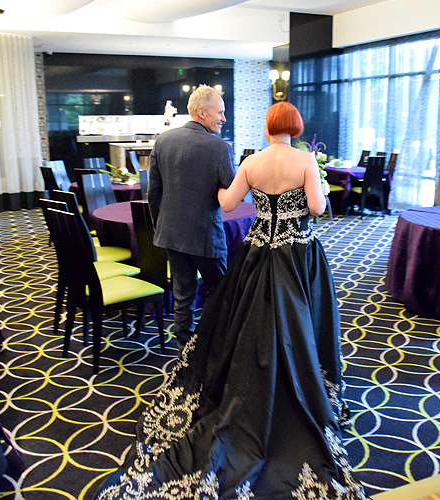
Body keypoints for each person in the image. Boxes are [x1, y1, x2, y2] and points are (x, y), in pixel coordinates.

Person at [93, 102, 364, 500]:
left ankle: (247, 380)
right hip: (296, 255)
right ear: (295, 127)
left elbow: (226, 204)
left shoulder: (252, 162)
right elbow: (317, 207)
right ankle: (302, 378)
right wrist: (313, 190)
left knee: (244, 319)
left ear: (268, 127)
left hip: (258, 253)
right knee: (300, 320)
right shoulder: (305, 160)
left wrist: (211, 186)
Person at [147, 84, 235, 348]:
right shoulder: (218, 148)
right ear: (202, 112)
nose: (224, 118)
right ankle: (212, 345)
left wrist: (160, 228)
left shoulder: (163, 141)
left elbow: (154, 194)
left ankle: (185, 349)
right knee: (219, 292)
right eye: (220, 112)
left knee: (182, 294)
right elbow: (232, 193)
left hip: (171, 234)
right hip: (205, 236)